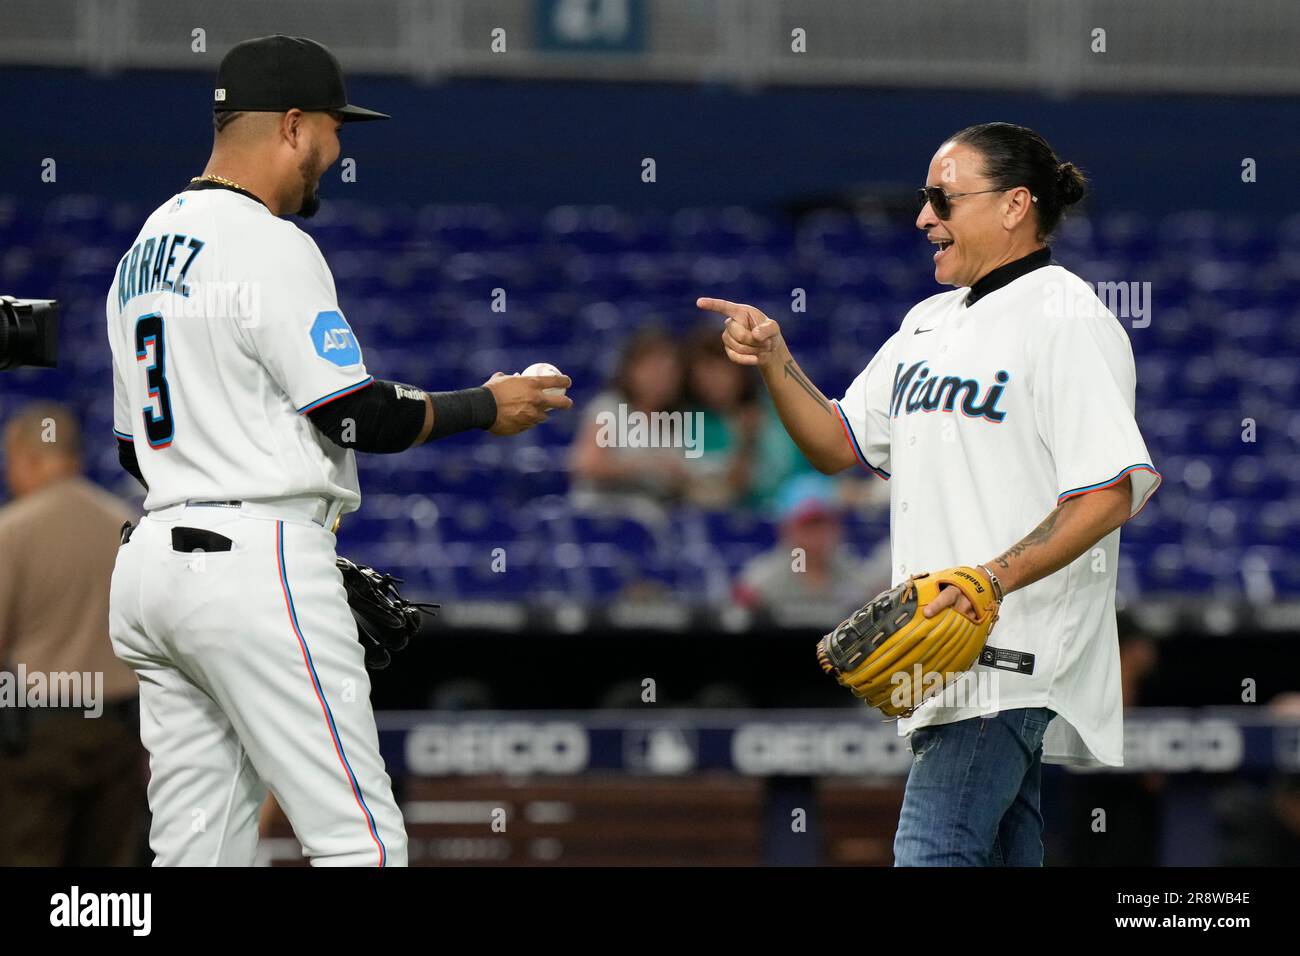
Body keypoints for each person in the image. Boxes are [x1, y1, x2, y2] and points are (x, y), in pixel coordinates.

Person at [106, 35, 570, 867]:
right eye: (331, 128)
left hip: (152, 573)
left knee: (196, 853)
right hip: (252, 560)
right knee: (362, 844)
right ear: (290, 125)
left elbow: (131, 450)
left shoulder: (140, 253)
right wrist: (485, 406)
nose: (338, 148)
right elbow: (356, 415)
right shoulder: (265, 241)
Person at [702, 122, 1160, 866]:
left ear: (1015, 205)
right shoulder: (926, 323)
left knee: (930, 848)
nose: (923, 217)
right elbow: (835, 443)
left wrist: (989, 579)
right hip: (956, 653)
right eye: (924, 200)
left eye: (943, 199)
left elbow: (1108, 493)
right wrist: (774, 358)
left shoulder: (1067, 317)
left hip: (1008, 645)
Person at [0, 403, 145, 865]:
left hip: (37, 733)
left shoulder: (11, 532)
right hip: (121, 731)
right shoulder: (127, 527)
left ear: (25, 458)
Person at [733, 473, 889, 625]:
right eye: (807, 525)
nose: (817, 535)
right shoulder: (760, 584)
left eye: (824, 523)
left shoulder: (855, 576)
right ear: (786, 528)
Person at [568, 327, 692, 518]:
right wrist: (647, 465)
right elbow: (586, 464)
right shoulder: (608, 407)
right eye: (652, 369)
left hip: (652, 515)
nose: (660, 379)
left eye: (668, 372)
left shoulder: (677, 421)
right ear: (631, 371)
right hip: (600, 510)